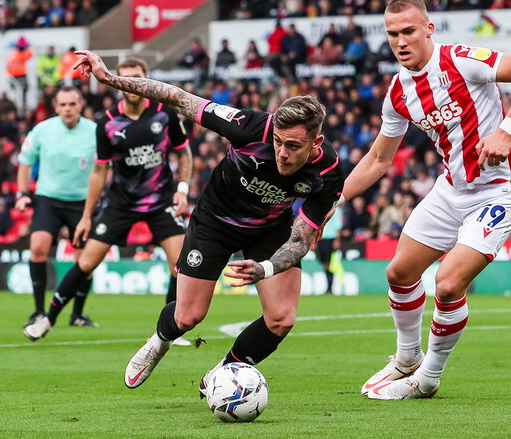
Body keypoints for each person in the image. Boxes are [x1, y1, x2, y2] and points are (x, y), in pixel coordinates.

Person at [70, 49, 343, 393]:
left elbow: (302, 239)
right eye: (278, 142)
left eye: (293, 146)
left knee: (281, 319)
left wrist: (266, 269)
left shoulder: (330, 171)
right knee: (188, 317)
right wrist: (111, 79)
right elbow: (176, 96)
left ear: (315, 142)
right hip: (214, 221)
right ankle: (159, 342)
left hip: (271, 230)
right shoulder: (248, 126)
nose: (282, 153)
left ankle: (224, 375)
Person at [336, 0, 511, 400]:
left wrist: (506, 130)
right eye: (392, 34)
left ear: (428, 29)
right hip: (450, 191)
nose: (400, 41)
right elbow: (379, 159)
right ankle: (406, 356)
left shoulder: (462, 60)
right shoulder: (398, 91)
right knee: (399, 274)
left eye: (409, 31)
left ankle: (428, 378)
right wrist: (335, 199)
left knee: (448, 285)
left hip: (498, 191)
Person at [24, 58, 194, 344]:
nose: (132, 84)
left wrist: (183, 188)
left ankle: (169, 332)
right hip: (121, 203)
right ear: (118, 83)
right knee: (86, 263)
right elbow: (99, 169)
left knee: (179, 265)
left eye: (137, 77)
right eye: (126, 78)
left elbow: (184, 153)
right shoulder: (107, 122)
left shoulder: (165, 112)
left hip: (160, 200)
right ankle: (48, 319)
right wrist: (87, 216)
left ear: (146, 78)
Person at [15, 86, 98, 328]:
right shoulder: (42, 130)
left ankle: (78, 315)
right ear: (56, 107)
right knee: (38, 247)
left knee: (86, 261)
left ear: (80, 105)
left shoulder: (94, 131)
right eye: (62, 105)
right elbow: (24, 162)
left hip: (82, 203)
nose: (67, 109)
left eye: (72, 104)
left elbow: (105, 168)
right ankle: (39, 311)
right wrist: (22, 193)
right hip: (48, 199)